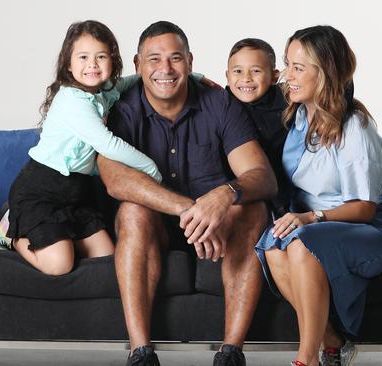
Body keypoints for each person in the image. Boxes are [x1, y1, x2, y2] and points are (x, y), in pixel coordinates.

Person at [97, 21, 277, 366]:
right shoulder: (123, 108)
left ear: (190, 62)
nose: (165, 69)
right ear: (137, 65)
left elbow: (262, 176)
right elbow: (114, 179)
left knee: (253, 210)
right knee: (132, 211)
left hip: (217, 231)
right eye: (154, 59)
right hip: (157, 228)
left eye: (175, 58)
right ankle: (141, 353)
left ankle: (230, 353)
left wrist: (224, 193)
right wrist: (188, 208)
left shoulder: (220, 103)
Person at [254, 26, 382, 366]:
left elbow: (364, 207)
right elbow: (247, 85)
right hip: (315, 226)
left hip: (367, 228)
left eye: (297, 68)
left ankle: (307, 359)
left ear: (326, 74)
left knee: (301, 240)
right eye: (287, 64)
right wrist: (198, 81)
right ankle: (332, 342)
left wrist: (311, 217)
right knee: (273, 245)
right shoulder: (300, 112)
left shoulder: (355, 128)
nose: (287, 76)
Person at [0, 20, 165, 276]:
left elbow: (132, 81)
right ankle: (8, 234)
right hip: (40, 189)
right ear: (68, 63)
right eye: (83, 57)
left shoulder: (102, 91)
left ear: (113, 60)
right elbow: (108, 144)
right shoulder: (72, 100)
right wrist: (152, 170)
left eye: (101, 56)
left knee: (106, 258)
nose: (92, 65)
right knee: (59, 264)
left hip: (76, 194)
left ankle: (58, 237)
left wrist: (192, 77)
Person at [225, 38, 290, 219]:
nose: (246, 78)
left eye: (256, 71)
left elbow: (335, 86)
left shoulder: (287, 98)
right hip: (245, 187)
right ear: (227, 77)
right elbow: (189, 88)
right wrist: (198, 77)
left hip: (287, 188)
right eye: (237, 71)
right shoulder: (223, 102)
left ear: (274, 77)